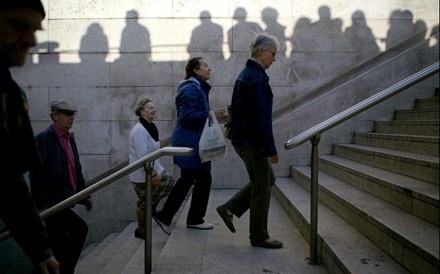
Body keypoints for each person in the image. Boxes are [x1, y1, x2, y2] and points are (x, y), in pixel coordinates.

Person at [0, 1, 60, 273]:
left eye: (35, 29)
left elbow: (7, 177)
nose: (31, 40)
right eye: (17, 26)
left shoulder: (9, 92)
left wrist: (40, 249)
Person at [216, 33, 283, 249]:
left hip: (244, 139)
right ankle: (259, 236)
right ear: (261, 52)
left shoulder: (250, 74)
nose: (274, 59)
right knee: (263, 186)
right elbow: (261, 118)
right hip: (251, 142)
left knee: (265, 180)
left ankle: (229, 208)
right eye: (273, 54)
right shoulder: (255, 78)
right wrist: (270, 149)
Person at [153, 57, 226, 235]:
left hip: (194, 139)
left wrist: (215, 116)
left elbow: (195, 115)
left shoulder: (198, 87)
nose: (210, 68)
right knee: (194, 178)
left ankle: (180, 217)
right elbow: (186, 117)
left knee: (197, 178)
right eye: (206, 65)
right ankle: (174, 217)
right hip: (189, 140)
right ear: (196, 70)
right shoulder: (190, 88)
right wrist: (211, 114)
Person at [29, 99, 93, 274]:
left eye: (73, 114)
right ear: (55, 116)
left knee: (58, 245)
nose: (72, 118)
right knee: (78, 230)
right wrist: (41, 205)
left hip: (65, 201)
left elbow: (75, 168)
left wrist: (84, 195)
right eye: (67, 114)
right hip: (53, 204)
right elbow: (37, 174)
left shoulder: (69, 138)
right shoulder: (43, 139)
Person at [129, 98, 175, 239]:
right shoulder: (139, 130)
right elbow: (143, 155)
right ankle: (141, 229)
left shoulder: (150, 126)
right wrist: (154, 173)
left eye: (154, 107)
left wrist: (158, 145)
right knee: (145, 202)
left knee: (149, 199)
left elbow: (151, 148)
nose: (154, 110)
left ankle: (149, 214)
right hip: (142, 174)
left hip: (152, 169)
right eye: (150, 108)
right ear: (142, 111)